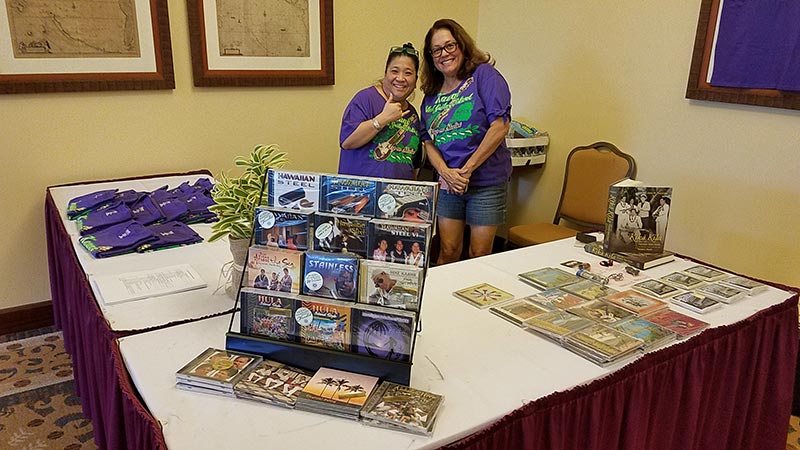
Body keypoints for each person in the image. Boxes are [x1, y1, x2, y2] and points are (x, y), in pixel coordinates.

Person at [419, 19, 512, 264]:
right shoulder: (431, 93)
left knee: (478, 255)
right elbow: (428, 140)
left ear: (462, 45)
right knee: (448, 250)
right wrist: (446, 173)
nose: (444, 54)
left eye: (449, 46)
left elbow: (500, 126)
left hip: (485, 182)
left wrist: (466, 171)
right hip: (450, 184)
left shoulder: (484, 76)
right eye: (436, 50)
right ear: (431, 57)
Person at [339, 43, 425, 180]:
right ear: (385, 74)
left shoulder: (413, 114)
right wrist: (383, 119)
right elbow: (347, 142)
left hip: (397, 197)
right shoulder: (366, 98)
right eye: (394, 71)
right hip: (362, 194)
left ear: (415, 81)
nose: (401, 78)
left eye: (408, 73)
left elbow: (414, 164)